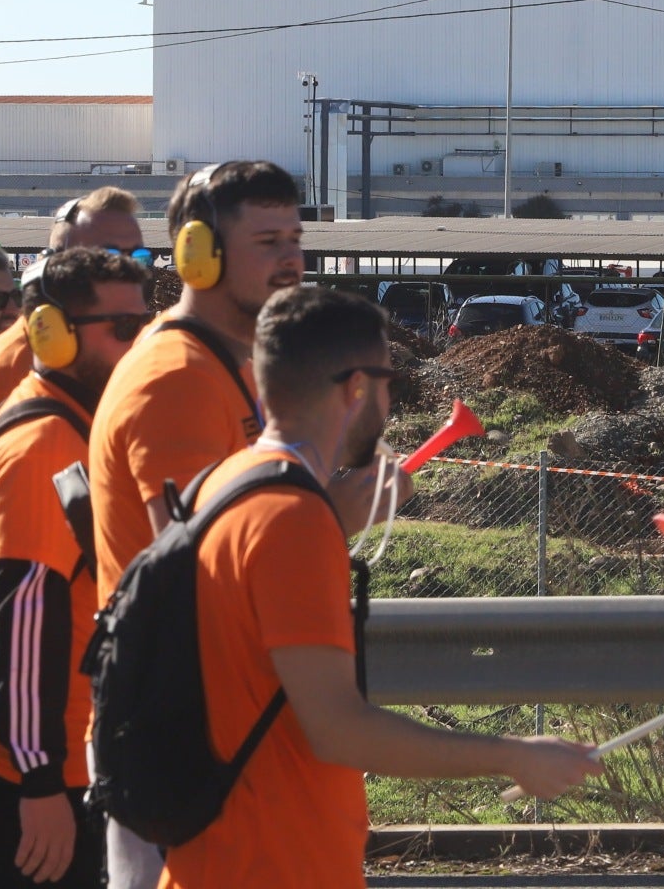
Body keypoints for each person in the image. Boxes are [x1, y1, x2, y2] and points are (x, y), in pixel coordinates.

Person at [163, 286, 597, 887]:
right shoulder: (291, 517)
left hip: (236, 853)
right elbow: (337, 728)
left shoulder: (233, 481)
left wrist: (330, 518)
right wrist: (513, 754)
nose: (392, 402)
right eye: (389, 382)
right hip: (272, 863)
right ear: (356, 388)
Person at [88, 161, 312, 889]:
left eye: (295, 239)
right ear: (197, 253)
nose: (291, 260)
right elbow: (196, 568)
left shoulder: (228, 363)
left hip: (215, 716)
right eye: (267, 242)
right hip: (183, 728)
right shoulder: (178, 378)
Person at [0, 247, 152, 887]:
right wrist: (38, 781)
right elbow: (22, 626)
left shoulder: (70, 421)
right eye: (123, 328)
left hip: (68, 759)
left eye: (144, 324)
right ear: (53, 334)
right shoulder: (44, 447)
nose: (141, 342)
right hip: (48, 774)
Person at [0, 187, 146, 484]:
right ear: (53, 268)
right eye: (106, 258)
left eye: (138, 258)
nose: (127, 272)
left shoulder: (131, 349)